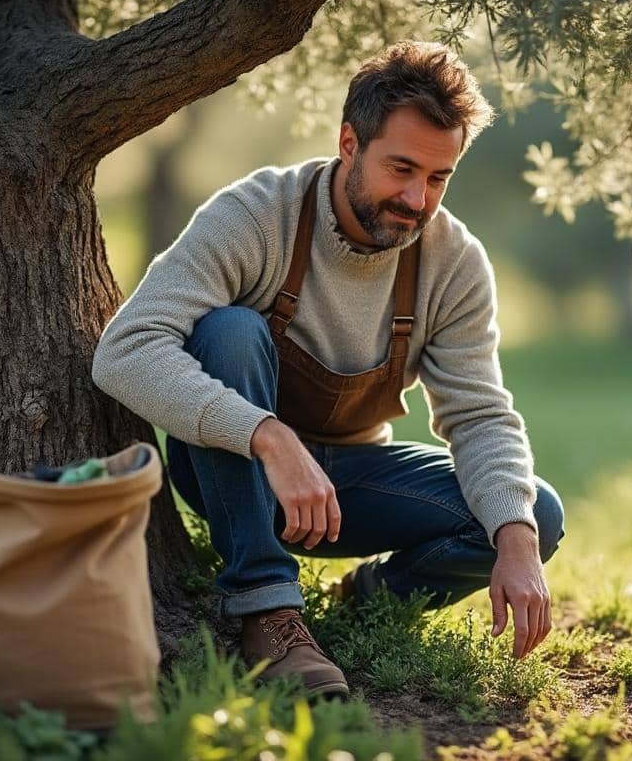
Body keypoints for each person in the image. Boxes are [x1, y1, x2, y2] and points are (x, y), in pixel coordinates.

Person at [92, 40, 564, 698]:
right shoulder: (256, 215)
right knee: (230, 331)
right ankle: (266, 609)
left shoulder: (453, 262)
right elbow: (124, 350)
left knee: (531, 511)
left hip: (348, 490)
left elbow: (479, 414)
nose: (416, 199)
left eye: (437, 178)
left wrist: (518, 543)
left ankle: (365, 600)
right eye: (400, 168)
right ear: (349, 142)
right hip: (237, 472)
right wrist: (268, 436)